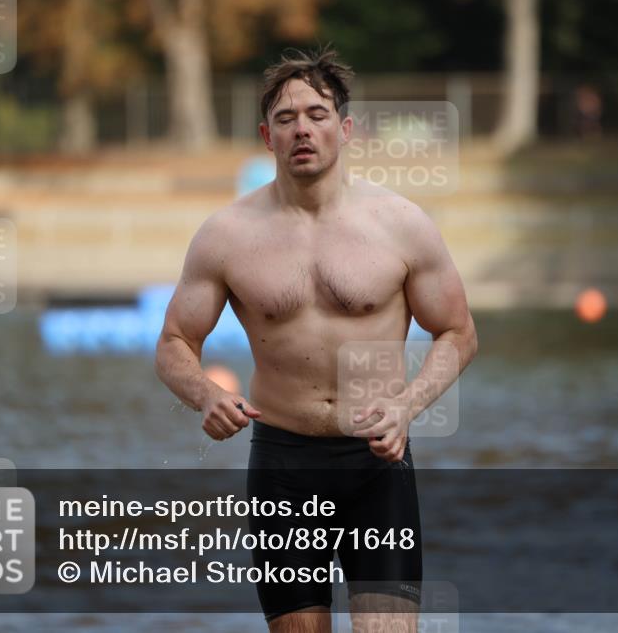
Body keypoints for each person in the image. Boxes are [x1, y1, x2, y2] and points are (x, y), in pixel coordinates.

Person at [155, 48, 478, 633]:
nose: (302, 128)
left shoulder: (400, 224)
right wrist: (204, 394)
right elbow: (175, 341)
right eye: (285, 118)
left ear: (345, 128)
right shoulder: (225, 235)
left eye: (317, 114)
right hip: (283, 465)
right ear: (266, 136)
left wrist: (408, 407)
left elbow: (458, 332)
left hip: (377, 463)